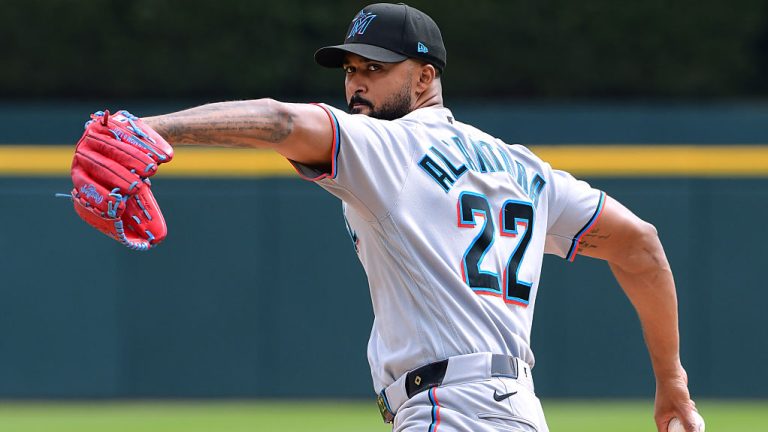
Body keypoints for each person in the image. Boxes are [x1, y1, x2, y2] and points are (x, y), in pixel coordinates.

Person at [140, 3, 699, 431]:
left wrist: (153, 129)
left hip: (448, 409)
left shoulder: (387, 147)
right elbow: (641, 246)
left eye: (376, 69)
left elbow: (280, 119)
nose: (357, 82)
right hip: (518, 412)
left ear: (425, 77)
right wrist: (672, 380)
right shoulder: (524, 169)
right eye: (351, 68)